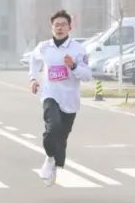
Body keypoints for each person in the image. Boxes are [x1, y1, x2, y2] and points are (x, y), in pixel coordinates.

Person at [28, 10, 91, 187]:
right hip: (50, 95)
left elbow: (87, 75)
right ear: (52, 28)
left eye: (63, 24)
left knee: (61, 138)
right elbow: (33, 60)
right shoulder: (44, 47)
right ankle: (50, 158)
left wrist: (74, 66)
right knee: (52, 128)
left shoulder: (78, 50)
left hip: (70, 100)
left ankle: (55, 163)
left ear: (70, 27)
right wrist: (33, 78)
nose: (59, 28)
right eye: (56, 25)